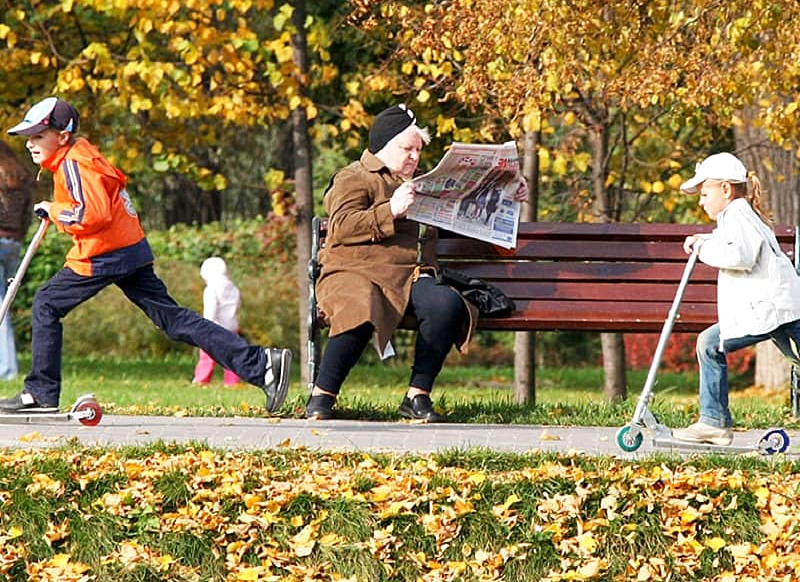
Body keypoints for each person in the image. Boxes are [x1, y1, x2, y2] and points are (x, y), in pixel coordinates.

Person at [0, 97, 291, 413]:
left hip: (105, 253)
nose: (30, 144)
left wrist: (53, 209)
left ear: (63, 136)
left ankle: (40, 394)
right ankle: (262, 364)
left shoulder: (73, 163)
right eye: (29, 137)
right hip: (128, 250)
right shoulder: (82, 158)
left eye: (38, 136)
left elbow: (90, 215)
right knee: (174, 320)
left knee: (46, 302)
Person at [307, 104, 528, 422]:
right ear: (383, 146)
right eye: (406, 149)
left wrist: (508, 192)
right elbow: (341, 226)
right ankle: (322, 395)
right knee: (360, 305)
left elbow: (470, 216)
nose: (414, 156)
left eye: (418, 150)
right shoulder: (354, 177)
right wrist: (390, 211)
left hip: (410, 277)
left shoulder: (422, 183)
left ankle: (417, 396)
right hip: (354, 271)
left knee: (445, 304)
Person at [672, 152, 800, 446]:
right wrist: (704, 240)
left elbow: (740, 255)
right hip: (772, 310)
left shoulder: (737, 214)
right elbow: (732, 243)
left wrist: (703, 249)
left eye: (705, 193)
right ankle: (713, 422)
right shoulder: (738, 216)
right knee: (708, 344)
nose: (701, 201)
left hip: (774, 310)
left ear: (726, 190)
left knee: (708, 344)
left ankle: (714, 422)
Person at [0, 141, 33, 380]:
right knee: (4, 304)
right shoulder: (21, 175)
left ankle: (7, 368)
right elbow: (28, 213)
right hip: (14, 242)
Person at [193, 257, 241, 387]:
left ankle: (201, 380)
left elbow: (211, 309)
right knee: (231, 357)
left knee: (207, 355)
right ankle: (232, 382)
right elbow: (237, 306)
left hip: (215, 328)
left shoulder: (211, 289)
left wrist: (204, 326)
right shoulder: (233, 288)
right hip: (231, 327)